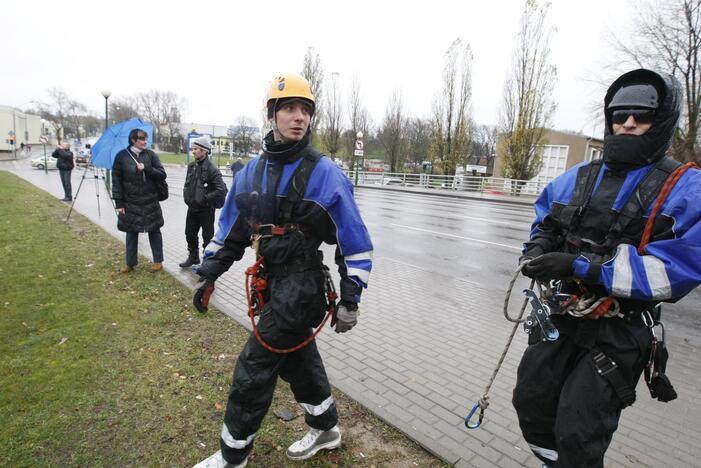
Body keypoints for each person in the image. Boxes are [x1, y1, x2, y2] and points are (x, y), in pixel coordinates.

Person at [513, 68, 701, 468]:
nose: (628, 122)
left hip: (620, 329)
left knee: (579, 430)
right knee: (530, 402)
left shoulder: (687, 189)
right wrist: (538, 247)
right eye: (620, 115)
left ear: (663, 119)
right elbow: (546, 220)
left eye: (641, 115)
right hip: (563, 315)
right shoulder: (578, 179)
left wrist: (584, 267)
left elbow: (678, 269)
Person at [192, 74, 373, 468]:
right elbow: (231, 232)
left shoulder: (326, 174)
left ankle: (232, 455)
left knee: (254, 367)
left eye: (305, 110)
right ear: (272, 115)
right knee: (298, 360)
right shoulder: (251, 173)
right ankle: (326, 428)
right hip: (270, 279)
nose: (299, 117)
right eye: (289, 109)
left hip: (303, 284)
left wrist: (351, 298)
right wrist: (209, 273)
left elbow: (354, 242)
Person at [111, 129, 168, 273]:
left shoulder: (150, 155)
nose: (145, 142)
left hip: (150, 201)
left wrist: (147, 168)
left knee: (154, 231)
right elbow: (116, 181)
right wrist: (119, 203)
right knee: (131, 233)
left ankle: (158, 261)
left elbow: (162, 174)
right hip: (130, 202)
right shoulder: (121, 157)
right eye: (141, 139)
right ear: (133, 140)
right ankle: (130, 263)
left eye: (145, 139)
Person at [179, 135, 228, 268]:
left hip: (206, 209)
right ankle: (193, 257)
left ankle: (207, 264)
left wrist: (205, 198)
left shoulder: (212, 169)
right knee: (189, 234)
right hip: (192, 208)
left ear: (205, 151)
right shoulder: (191, 166)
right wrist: (187, 196)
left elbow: (221, 190)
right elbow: (188, 185)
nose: (193, 151)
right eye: (193, 148)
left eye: (196, 149)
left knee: (207, 237)